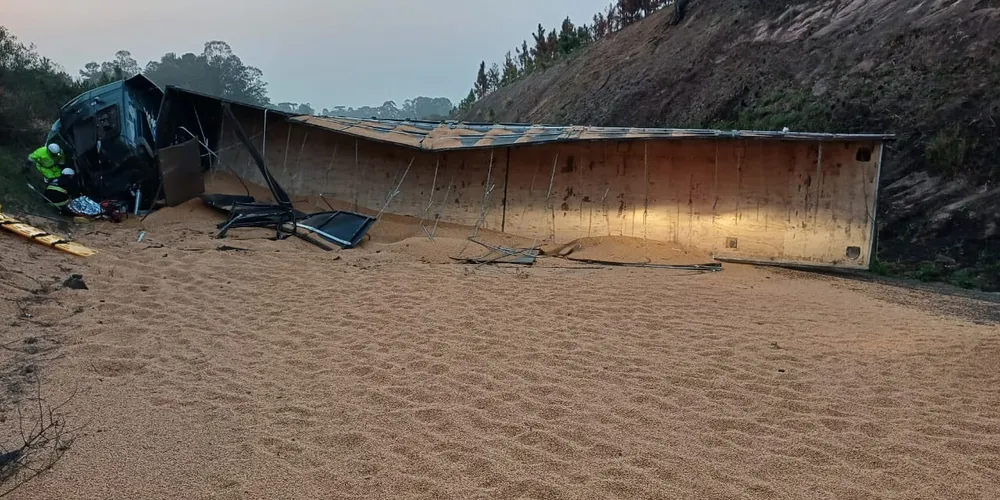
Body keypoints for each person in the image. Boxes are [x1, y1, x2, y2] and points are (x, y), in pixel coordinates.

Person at [25, 143, 76, 210]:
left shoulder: (59, 152)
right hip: (44, 167)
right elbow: (31, 157)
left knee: (59, 177)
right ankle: (49, 189)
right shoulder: (41, 151)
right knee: (51, 179)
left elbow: (61, 161)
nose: (56, 155)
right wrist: (27, 166)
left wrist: (63, 167)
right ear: (49, 151)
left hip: (55, 167)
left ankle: (55, 190)